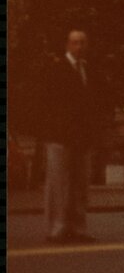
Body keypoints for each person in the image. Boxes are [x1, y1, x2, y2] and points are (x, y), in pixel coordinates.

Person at [40, 29, 104, 243]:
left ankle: (78, 227)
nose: (79, 47)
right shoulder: (56, 69)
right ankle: (57, 228)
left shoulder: (88, 70)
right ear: (67, 45)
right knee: (58, 184)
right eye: (75, 42)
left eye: (83, 43)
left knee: (80, 184)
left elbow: (92, 105)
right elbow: (48, 103)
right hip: (60, 136)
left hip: (82, 138)